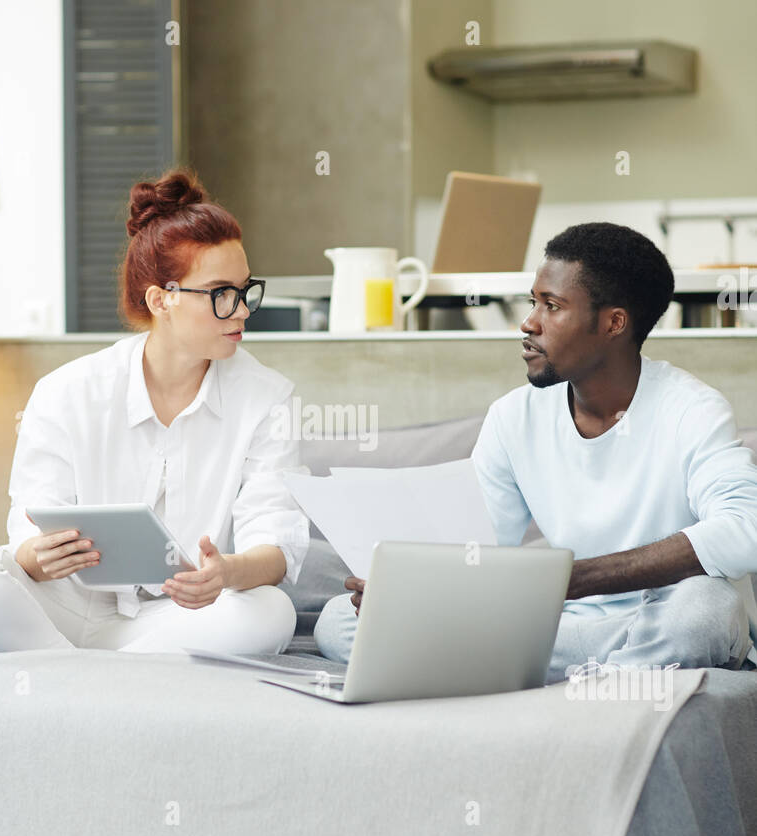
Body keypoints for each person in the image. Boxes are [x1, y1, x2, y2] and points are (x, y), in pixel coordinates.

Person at [314, 222, 757, 681]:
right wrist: (409, 589)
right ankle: (598, 679)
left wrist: (568, 580)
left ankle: (503, 668)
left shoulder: (692, 410)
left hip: (655, 622)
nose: (528, 323)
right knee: (338, 621)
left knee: (705, 609)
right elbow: (477, 550)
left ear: (613, 323)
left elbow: (745, 529)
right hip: (558, 628)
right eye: (533, 302)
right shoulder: (513, 417)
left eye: (552, 305)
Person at [0, 167, 309, 655]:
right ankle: (90, 674)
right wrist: (40, 557)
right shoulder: (67, 391)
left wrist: (227, 572)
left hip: (179, 618)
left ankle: (45, 668)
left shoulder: (267, 399)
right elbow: (28, 532)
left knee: (270, 614)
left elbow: (275, 541)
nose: (243, 310)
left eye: (246, 290)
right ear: (161, 300)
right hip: (60, 609)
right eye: (221, 294)